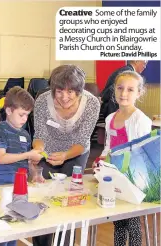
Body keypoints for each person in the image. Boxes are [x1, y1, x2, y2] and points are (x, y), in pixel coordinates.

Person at [32, 65, 100, 246]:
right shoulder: (42, 101)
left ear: (80, 90)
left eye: (71, 91)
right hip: (49, 153)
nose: (64, 97)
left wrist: (66, 155)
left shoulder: (91, 104)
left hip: (76, 153)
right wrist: (38, 152)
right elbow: (40, 135)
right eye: (59, 91)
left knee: (70, 202)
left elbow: (82, 139)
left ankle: (66, 243)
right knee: (41, 199)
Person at [97, 71, 151, 246]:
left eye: (130, 89)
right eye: (120, 88)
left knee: (133, 222)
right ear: (114, 91)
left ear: (139, 93)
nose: (124, 93)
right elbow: (108, 145)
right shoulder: (111, 118)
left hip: (134, 178)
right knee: (118, 221)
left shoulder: (140, 120)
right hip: (115, 177)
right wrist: (102, 159)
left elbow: (142, 152)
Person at [0, 86, 41, 246]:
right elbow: (1, 158)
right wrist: (28, 154)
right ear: (8, 110)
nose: (25, 119)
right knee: (1, 230)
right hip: (3, 186)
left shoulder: (25, 134)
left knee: (15, 229)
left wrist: (35, 173)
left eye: (27, 115)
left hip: (20, 187)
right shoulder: (1, 129)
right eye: (21, 114)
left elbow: (27, 162)